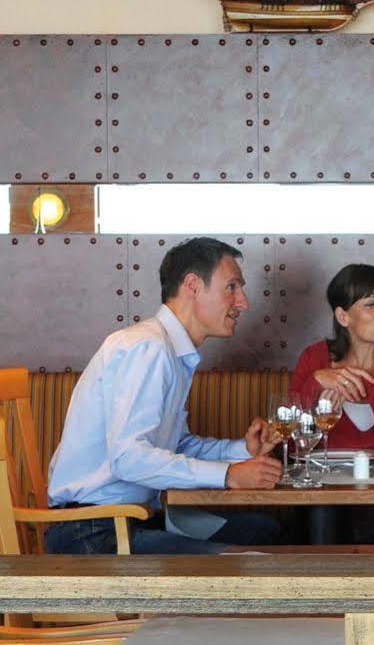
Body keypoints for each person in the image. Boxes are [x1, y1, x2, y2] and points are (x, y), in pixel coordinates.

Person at [44, 236, 286, 553]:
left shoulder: (170, 350)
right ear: (193, 285)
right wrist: (228, 475)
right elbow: (129, 459)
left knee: (265, 532)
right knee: (248, 562)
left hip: (128, 519)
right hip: (92, 531)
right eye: (232, 287)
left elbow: (175, 445)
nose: (243, 302)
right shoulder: (148, 347)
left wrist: (243, 450)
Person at [288, 262, 374, 545]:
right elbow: (291, 443)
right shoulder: (314, 360)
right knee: (322, 517)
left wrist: (371, 390)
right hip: (320, 503)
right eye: (370, 304)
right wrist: (317, 381)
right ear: (343, 316)